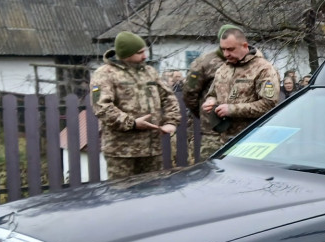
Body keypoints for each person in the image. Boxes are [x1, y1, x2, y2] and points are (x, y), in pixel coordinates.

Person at [90, 31, 180, 180]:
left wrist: (171, 121)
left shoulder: (150, 72)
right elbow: (102, 107)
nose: (144, 56)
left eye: (144, 51)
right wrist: (132, 123)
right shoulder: (104, 74)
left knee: (152, 194)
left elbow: (169, 97)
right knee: (123, 196)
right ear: (126, 54)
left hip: (152, 150)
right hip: (122, 152)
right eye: (140, 52)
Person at [200, 27, 280, 155]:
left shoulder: (264, 69)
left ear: (244, 46)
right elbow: (213, 93)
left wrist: (232, 109)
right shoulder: (223, 69)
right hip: (225, 141)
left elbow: (269, 105)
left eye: (230, 49)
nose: (226, 54)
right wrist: (210, 101)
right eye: (223, 49)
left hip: (253, 142)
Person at [183, 24, 231, 161]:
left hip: (237, 129)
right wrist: (202, 113)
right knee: (209, 167)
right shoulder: (204, 63)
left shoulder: (243, 61)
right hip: (211, 131)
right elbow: (189, 93)